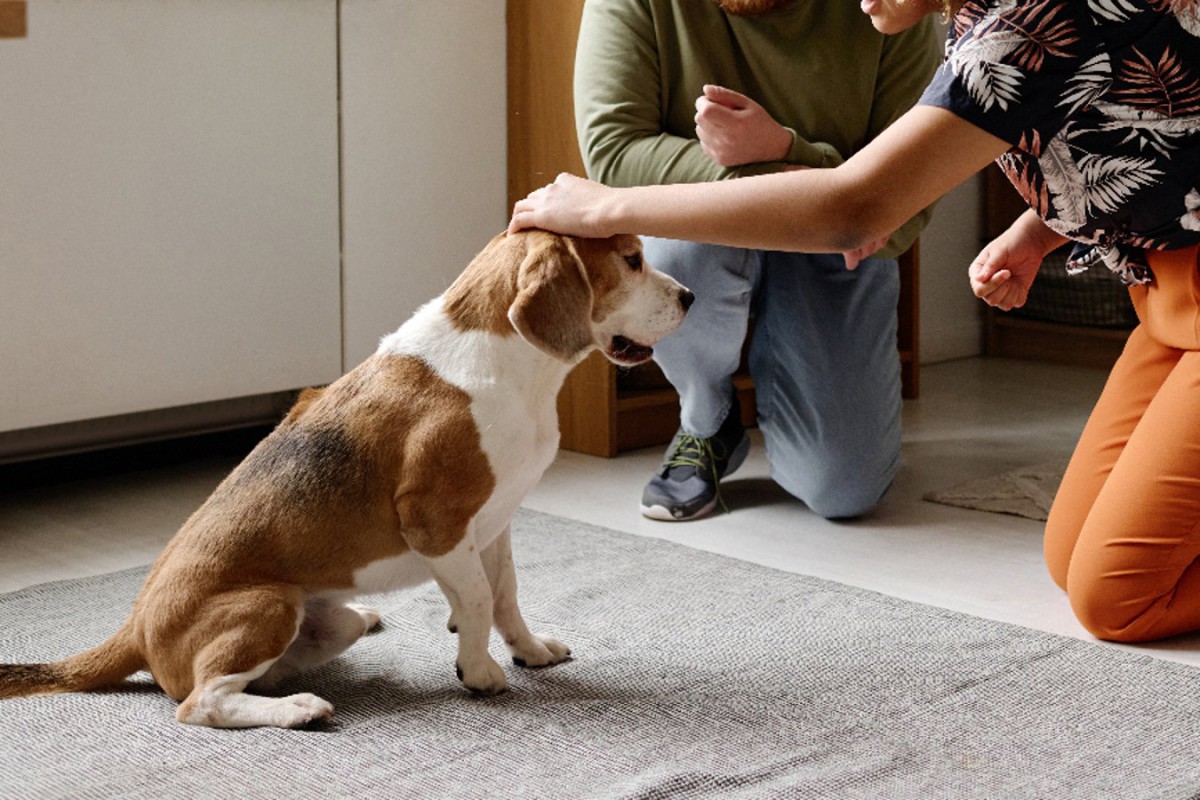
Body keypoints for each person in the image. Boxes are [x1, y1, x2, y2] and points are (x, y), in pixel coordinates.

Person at [512, 0, 1200, 644]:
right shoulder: (976, 22)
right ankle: (707, 421)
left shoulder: (1017, 29)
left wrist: (605, 209)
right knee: (1069, 555)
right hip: (1170, 305)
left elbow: (861, 209)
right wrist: (1038, 231)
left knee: (1117, 599)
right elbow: (1136, 137)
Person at [573, 0, 941, 522]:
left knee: (845, 490)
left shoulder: (894, 7)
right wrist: (792, 173)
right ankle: (707, 422)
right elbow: (614, 154)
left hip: (835, 241)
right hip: (709, 222)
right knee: (675, 243)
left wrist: (785, 151)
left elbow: (903, 208)